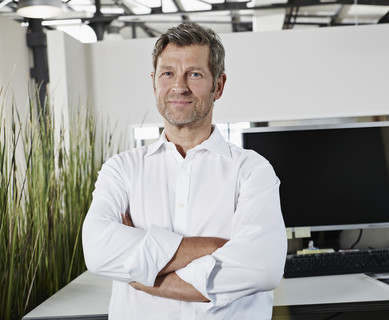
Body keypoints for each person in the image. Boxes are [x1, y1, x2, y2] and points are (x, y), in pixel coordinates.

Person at [82, 22, 287, 319]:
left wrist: (142, 275)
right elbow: (98, 251)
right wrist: (212, 247)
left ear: (218, 86)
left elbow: (262, 268)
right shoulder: (121, 170)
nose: (179, 86)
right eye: (168, 73)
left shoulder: (253, 171)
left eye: (194, 74)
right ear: (154, 83)